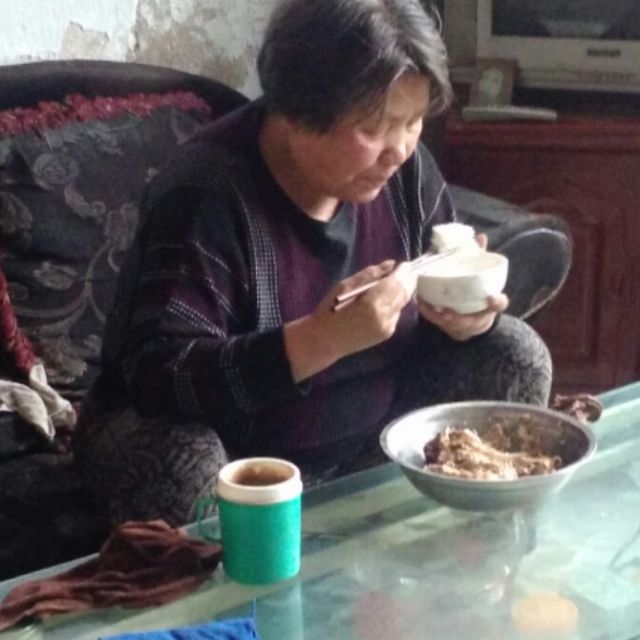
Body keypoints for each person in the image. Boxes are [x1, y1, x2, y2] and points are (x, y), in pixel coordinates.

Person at [73, 0, 552, 527]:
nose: (398, 150)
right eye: (374, 126)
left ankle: (437, 548)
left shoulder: (405, 171)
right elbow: (158, 379)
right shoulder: (205, 192)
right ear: (295, 112)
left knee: (514, 353)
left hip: (369, 438)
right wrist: (320, 340)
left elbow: (438, 299)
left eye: (413, 121)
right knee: (178, 466)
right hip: (238, 454)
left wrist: (465, 318)